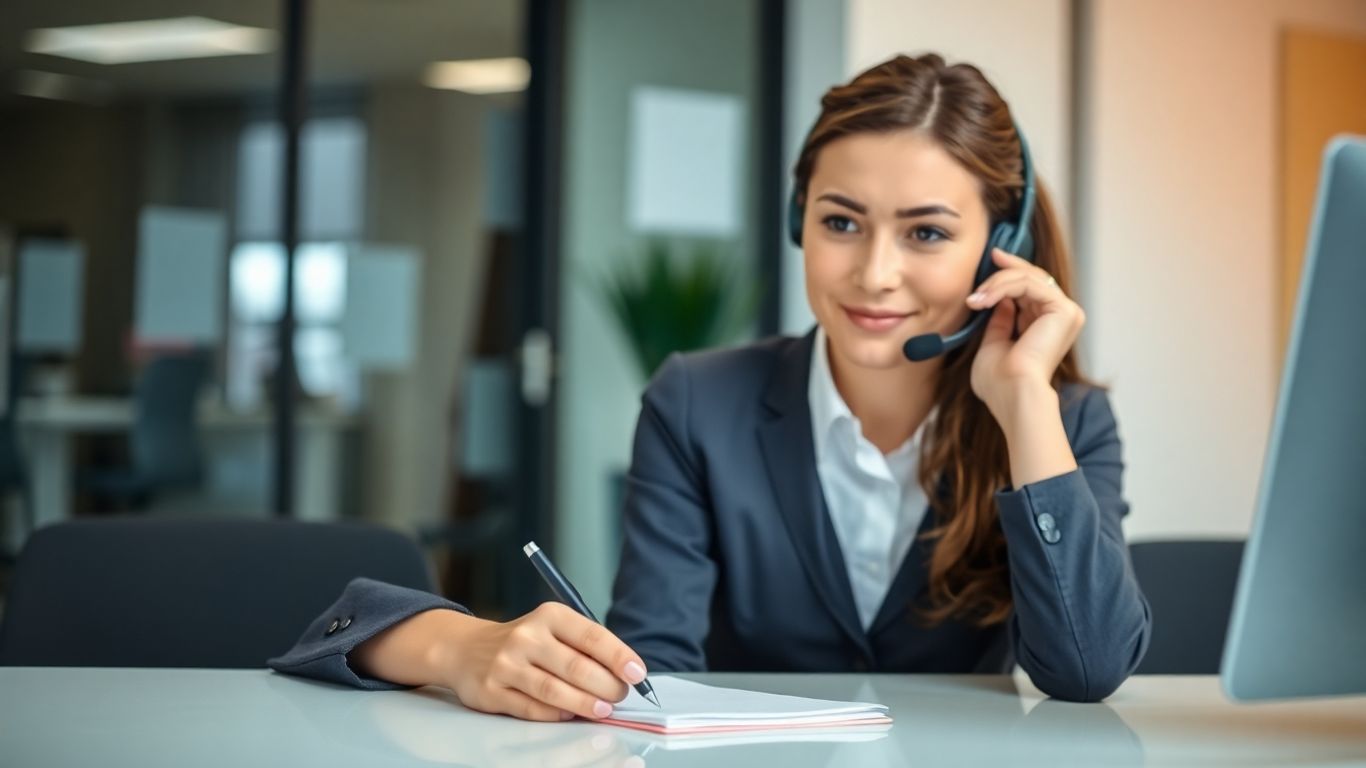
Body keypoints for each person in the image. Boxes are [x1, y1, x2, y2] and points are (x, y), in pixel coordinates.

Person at [268, 52, 1151, 720]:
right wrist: (460, 646)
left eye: (926, 234)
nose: (876, 274)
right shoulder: (701, 401)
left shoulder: (1063, 420)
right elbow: (652, 671)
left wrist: (1026, 402)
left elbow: (1084, 672)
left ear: (1004, 244)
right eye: (841, 221)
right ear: (799, 221)